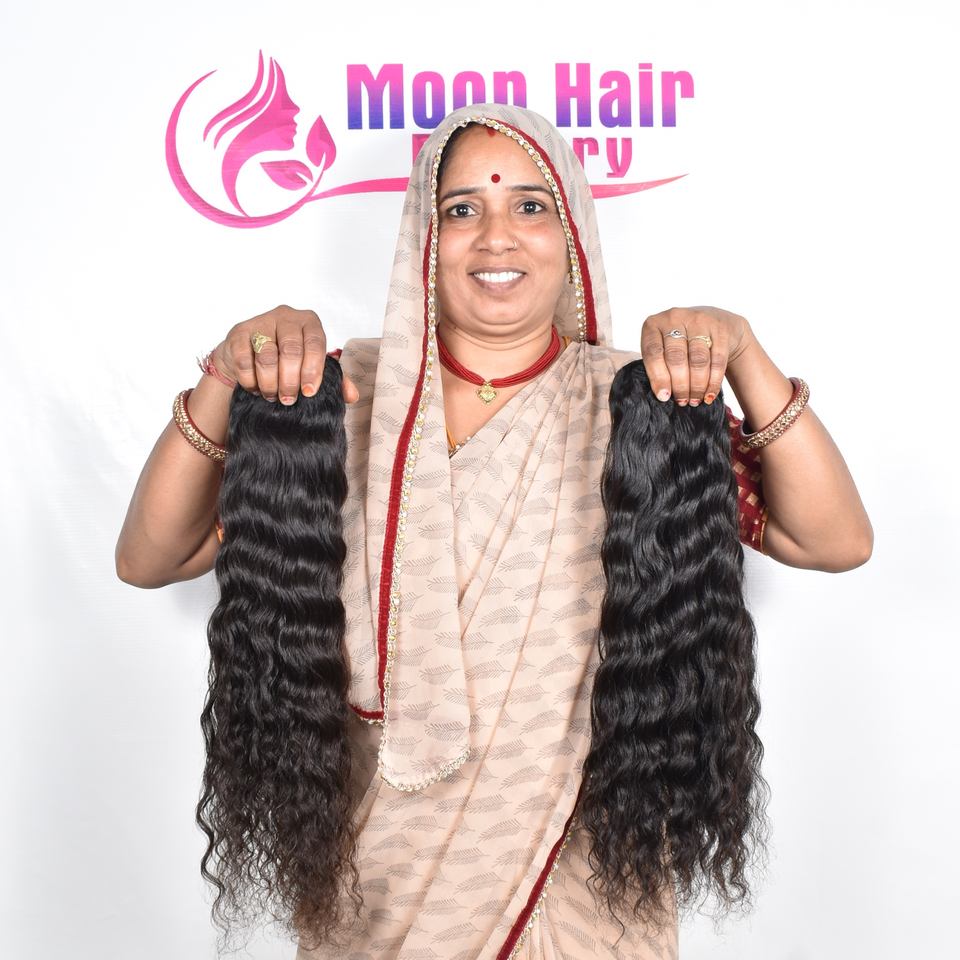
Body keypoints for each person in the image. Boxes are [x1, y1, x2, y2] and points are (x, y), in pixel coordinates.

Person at [116, 103, 873, 958]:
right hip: (381, 889)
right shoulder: (341, 393)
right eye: (463, 208)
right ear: (424, 237)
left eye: (530, 205)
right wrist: (227, 372)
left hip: (580, 887)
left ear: (571, 232)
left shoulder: (638, 402)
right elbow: (153, 557)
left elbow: (832, 541)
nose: (497, 237)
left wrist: (744, 353)